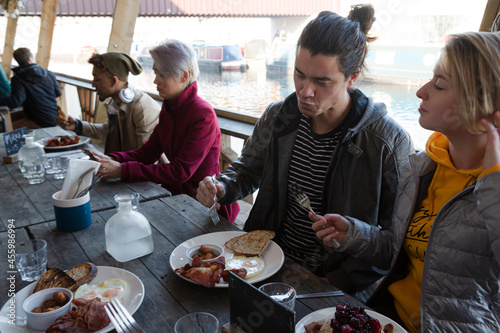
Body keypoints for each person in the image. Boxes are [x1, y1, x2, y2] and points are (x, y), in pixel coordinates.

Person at [196, 5, 413, 300]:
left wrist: (354, 233)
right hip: (267, 262)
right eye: (299, 74)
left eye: (322, 82)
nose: (305, 91)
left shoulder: (387, 141)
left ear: (353, 78)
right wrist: (222, 186)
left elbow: (398, 242)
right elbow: (248, 170)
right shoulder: (278, 117)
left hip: (339, 283)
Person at [312, 31, 500, 332]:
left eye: (439, 85)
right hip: (388, 317)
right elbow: (396, 251)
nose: (421, 91)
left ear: (481, 105)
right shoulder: (423, 168)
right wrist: (354, 233)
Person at [87, 40, 239, 223]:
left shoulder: (202, 115)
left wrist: (122, 170)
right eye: (155, 72)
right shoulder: (169, 109)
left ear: (184, 76)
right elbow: (147, 153)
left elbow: (181, 171)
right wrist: (111, 159)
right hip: (177, 199)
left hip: (205, 203)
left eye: (162, 74)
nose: (155, 80)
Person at [56, 51, 161, 155]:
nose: (93, 84)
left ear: (113, 81)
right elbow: (108, 132)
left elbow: (147, 157)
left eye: (97, 79)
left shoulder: (142, 109)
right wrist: (78, 126)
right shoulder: (116, 104)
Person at [0, 47, 61, 129]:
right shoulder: (49, 74)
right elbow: (58, 93)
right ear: (30, 59)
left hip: (38, 121)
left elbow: (15, 102)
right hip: (54, 117)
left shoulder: (18, 78)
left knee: (3, 128)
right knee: (8, 120)